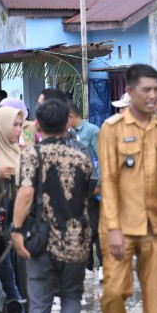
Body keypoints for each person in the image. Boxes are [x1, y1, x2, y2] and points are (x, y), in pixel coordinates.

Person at [96, 64, 157, 313]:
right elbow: (109, 181)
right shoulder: (112, 128)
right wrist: (113, 227)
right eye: (146, 90)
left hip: (155, 228)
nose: (153, 96)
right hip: (120, 227)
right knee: (114, 292)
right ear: (129, 92)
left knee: (155, 298)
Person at [11, 99, 93, 313]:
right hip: (77, 240)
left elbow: (26, 194)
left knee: (41, 304)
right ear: (66, 123)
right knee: (71, 297)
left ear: (40, 125)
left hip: (43, 241)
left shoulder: (33, 155)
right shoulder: (82, 158)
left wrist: (16, 229)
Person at [0, 106, 29, 313]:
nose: (18, 130)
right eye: (14, 125)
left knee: (14, 287)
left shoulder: (22, 154)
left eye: (20, 125)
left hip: (12, 234)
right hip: (0, 233)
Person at [67, 102, 102, 279]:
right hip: (78, 190)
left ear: (71, 117)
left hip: (93, 188)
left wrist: (99, 185)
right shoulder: (68, 135)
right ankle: (87, 267)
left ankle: (99, 266)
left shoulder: (91, 131)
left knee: (95, 228)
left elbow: (102, 157)